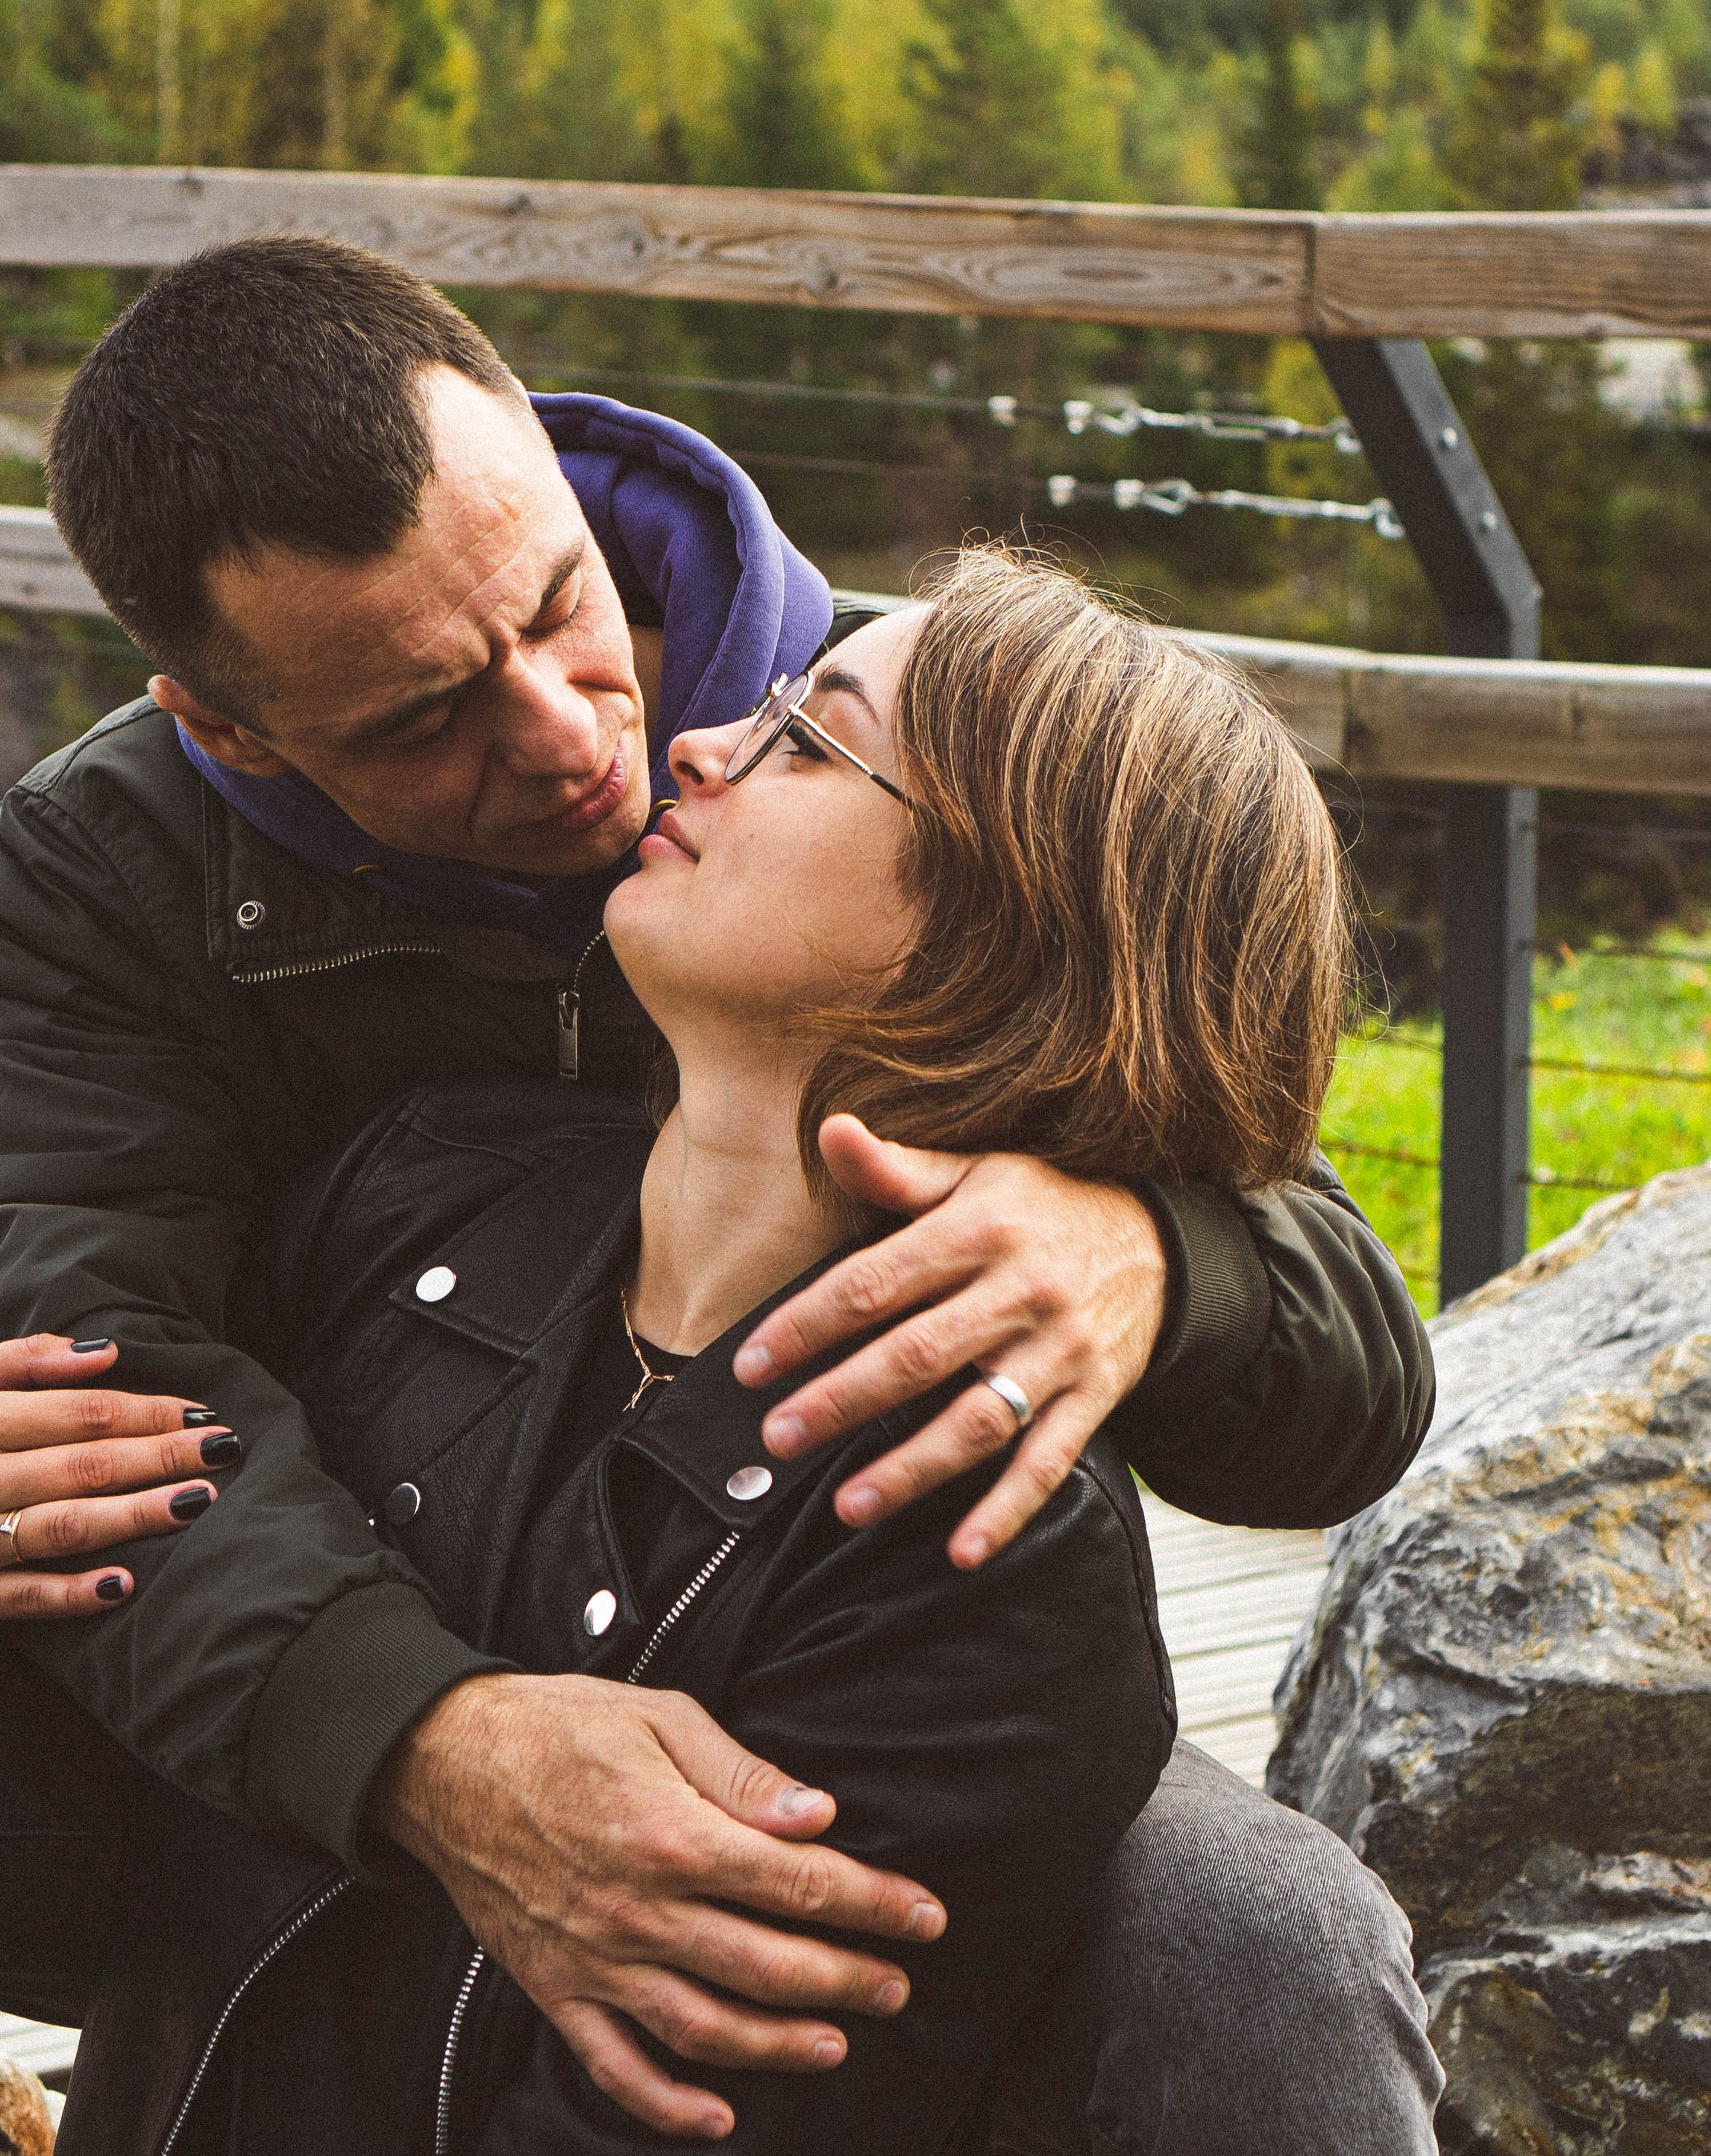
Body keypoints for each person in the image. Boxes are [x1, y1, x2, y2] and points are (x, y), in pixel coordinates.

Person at [0, 239, 1440, 2149]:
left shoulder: (923, 743)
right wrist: (437, 1746)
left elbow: (1333, 1337)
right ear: (231, 729)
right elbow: (97, 1383)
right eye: (422, 721)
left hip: (803, 1618)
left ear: (539, 443)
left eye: (558, 606)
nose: (582, 737)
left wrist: (1156, 1258)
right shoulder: (113, 879)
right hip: (334, 1581)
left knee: (1246, 1935)